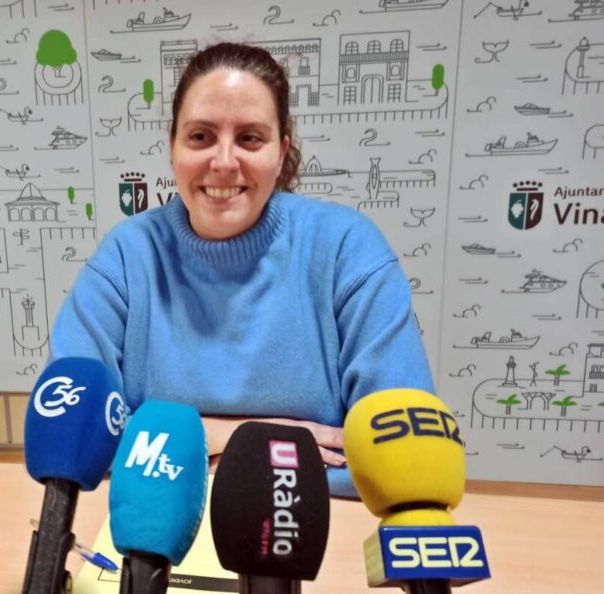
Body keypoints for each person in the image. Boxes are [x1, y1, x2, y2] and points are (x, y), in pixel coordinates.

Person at [49, 42, 434, 496]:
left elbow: (403, 455)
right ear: (172, 146)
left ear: (281, 151)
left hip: (320, 524)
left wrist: (177, 455)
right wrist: (250, 441)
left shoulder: (348, 250)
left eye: (250, 138)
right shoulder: (125, 258)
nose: (224, 162)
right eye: (200, 136)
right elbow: (68, 434)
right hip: (151, 523)